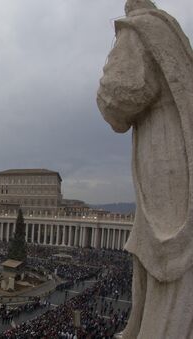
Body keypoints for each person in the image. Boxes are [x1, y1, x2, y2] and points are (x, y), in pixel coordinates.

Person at [97, 0, 193, 337]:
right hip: (181, 155)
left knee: (166, 260)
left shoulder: (139, 29)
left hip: (165, 158)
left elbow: (117, 99)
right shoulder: (177, 39)